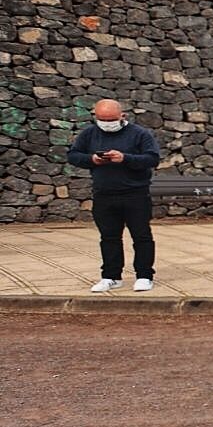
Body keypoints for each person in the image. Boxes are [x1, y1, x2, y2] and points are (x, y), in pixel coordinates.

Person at [66, 99, 161, 294]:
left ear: (122, 116)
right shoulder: (89, 133)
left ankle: (144, 276)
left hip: (135, 194)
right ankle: (111, 276)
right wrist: (91, 159)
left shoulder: (140, 134)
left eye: (111, 119)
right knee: (109, 237)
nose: (106, 123)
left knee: (141, 236)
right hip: (104, 194)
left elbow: (152, 158)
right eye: (102, 119)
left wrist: (125, 158)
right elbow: (73, 155)